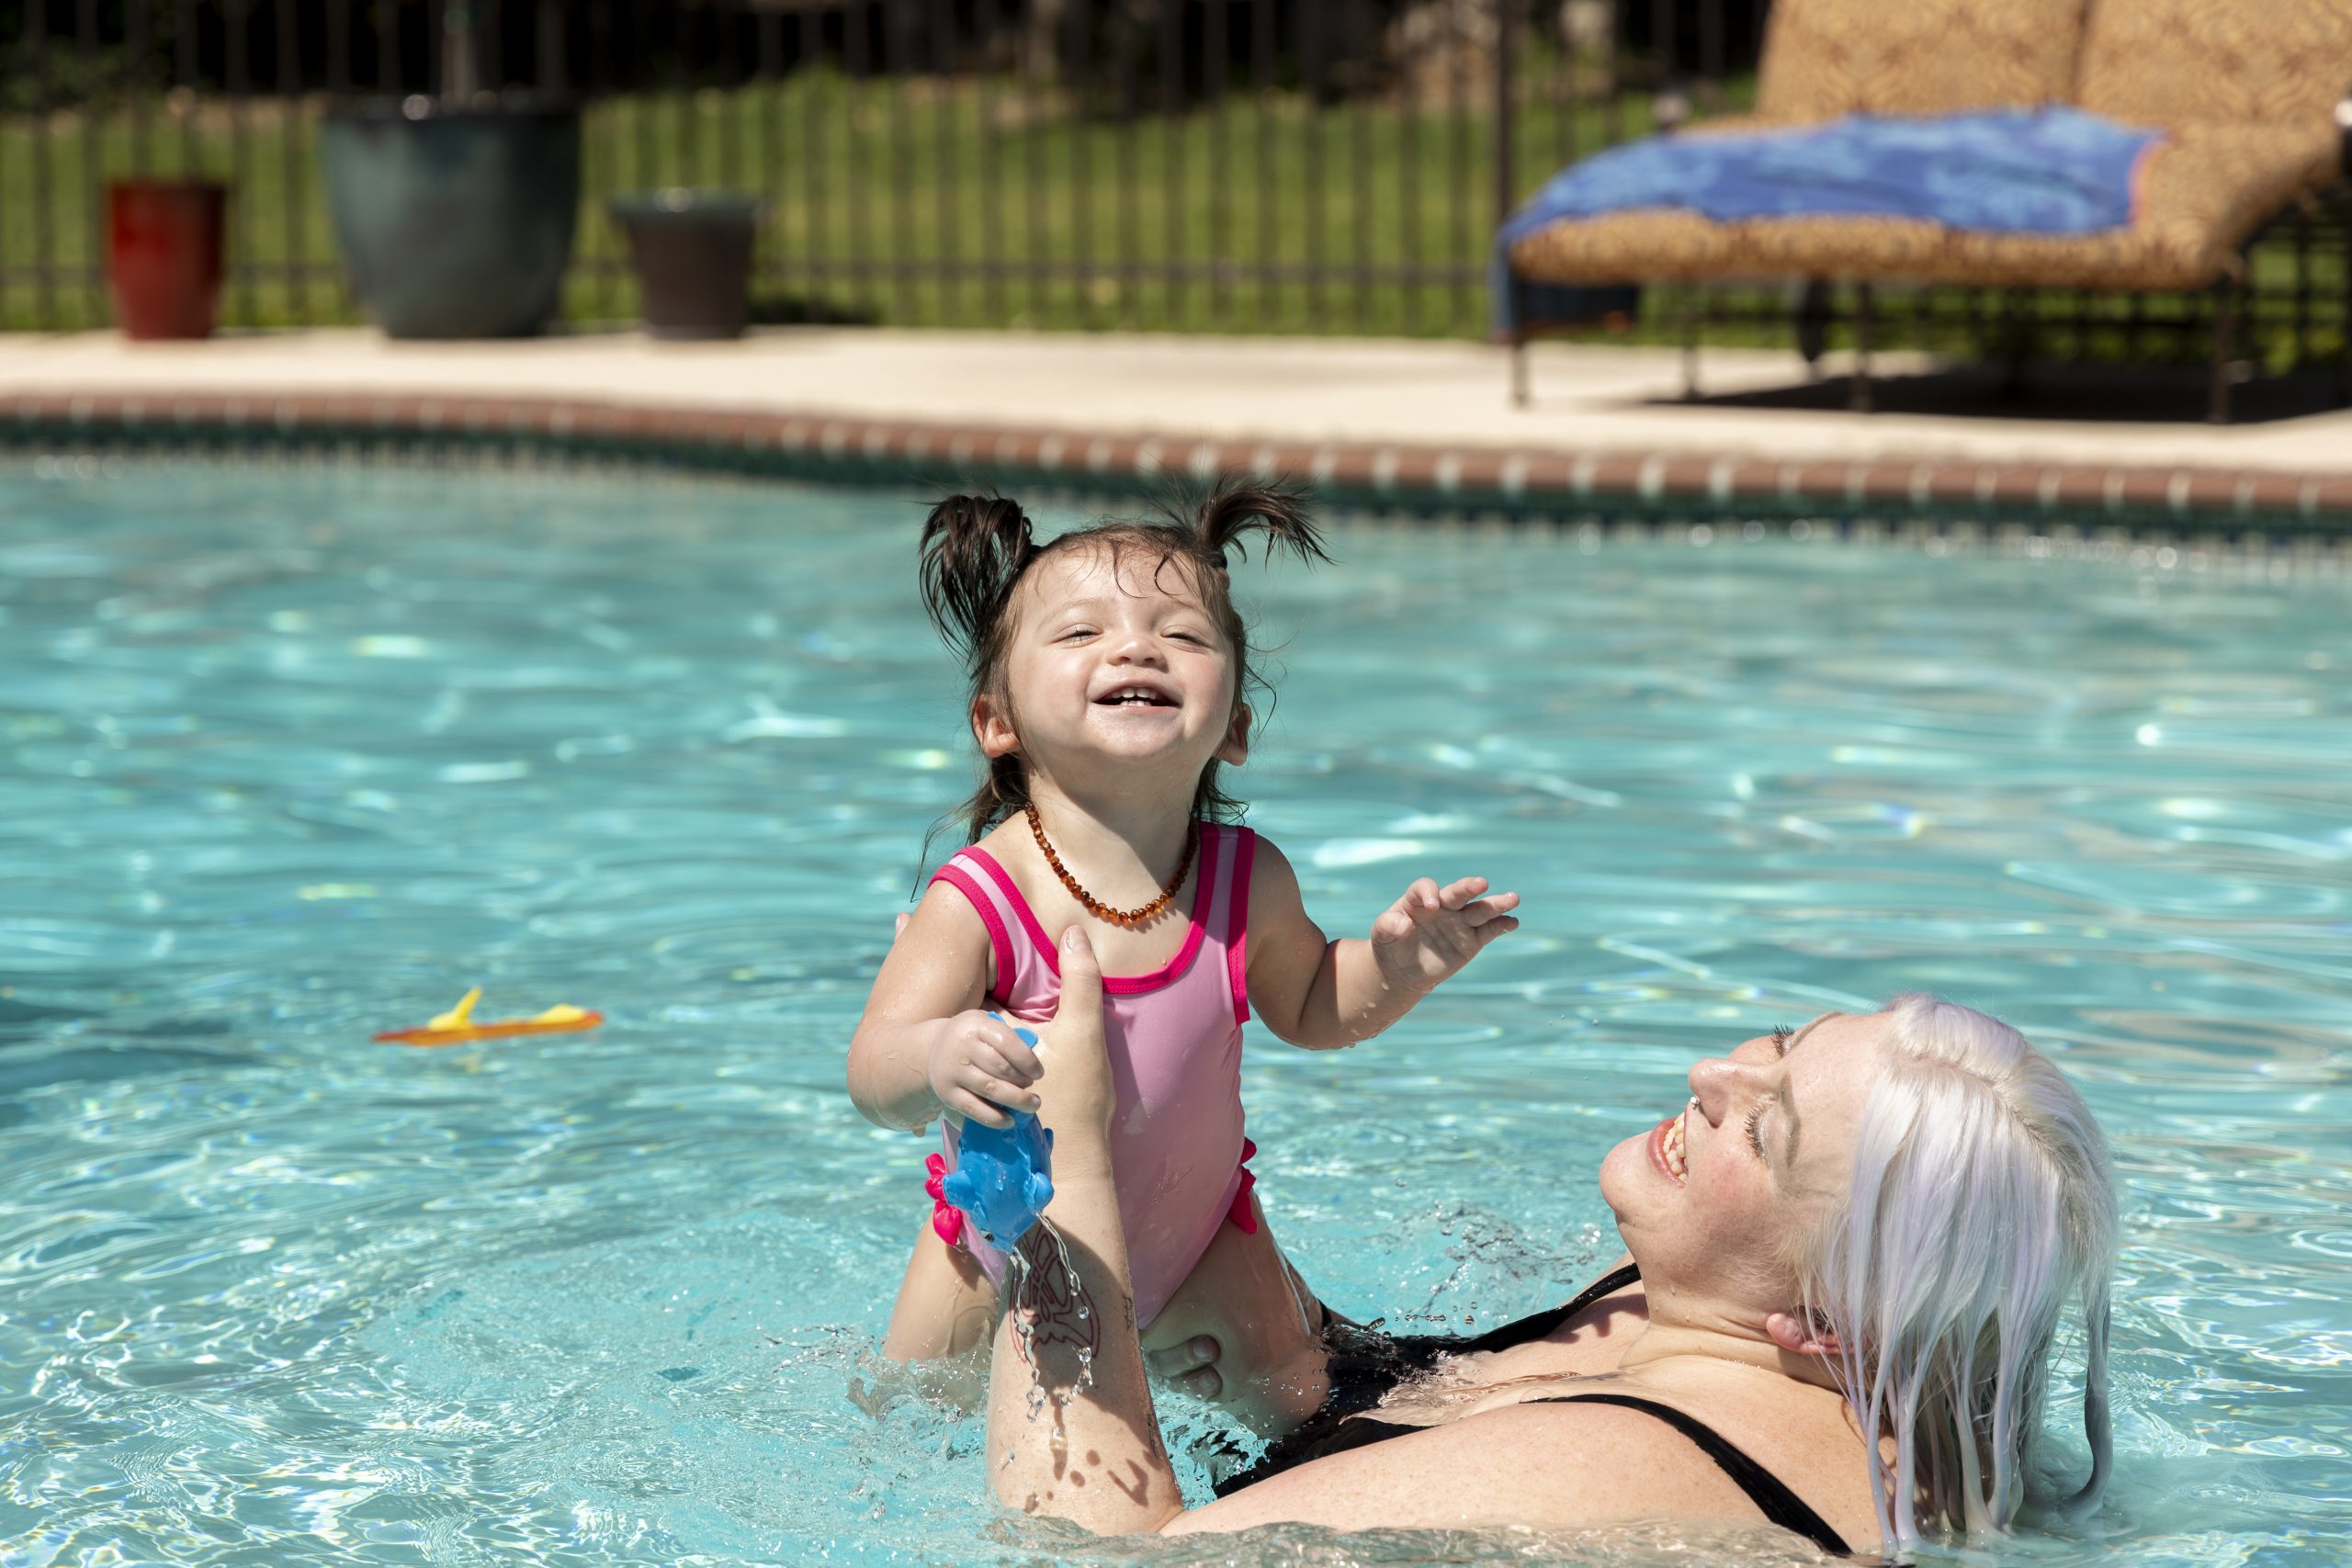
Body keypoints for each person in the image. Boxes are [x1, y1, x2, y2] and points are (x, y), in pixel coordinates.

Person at [987, 930, 2117, 1555]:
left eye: (1764, 1130)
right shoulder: (1715, 1300)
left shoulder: (1636, 1474)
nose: (1710, 1076)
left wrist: (1056, 1173)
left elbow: (1096, 1558)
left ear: (1822, 1321)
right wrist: (1293, 1358)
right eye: (1780, 1041)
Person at [846, 484, 1522, 1432]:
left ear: (1235, 727)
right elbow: (871, 1068)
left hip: (1201, 1238)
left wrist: (1396, 967)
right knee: (899, 1423)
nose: (1135, 648)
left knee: (1312, 1416)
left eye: (1185, 637)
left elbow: (1315, 1007)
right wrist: (933, 1056)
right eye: (1080, 634)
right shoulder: (979, 899)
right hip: (1000, 1240)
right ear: (995, 720)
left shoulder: (1247, 880)